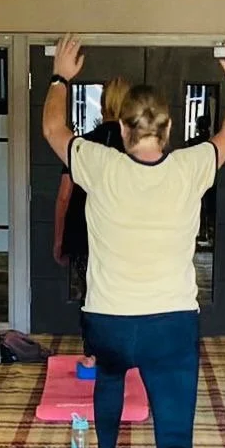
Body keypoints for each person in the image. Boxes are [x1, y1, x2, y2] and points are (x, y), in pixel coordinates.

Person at [40, 36, 225, 448]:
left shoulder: (98, 163)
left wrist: (61, 77)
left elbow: (52, 129)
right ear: (168, 131)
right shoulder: (190, 167)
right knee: (175, 433)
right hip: (170, 323)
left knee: (110, 380)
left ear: (120, 127)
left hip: (109, 320)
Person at [53, 75, 130, 372]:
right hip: (122, 239)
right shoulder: (136, 150)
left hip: (84, 237)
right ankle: (122, 357)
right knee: (123, 296)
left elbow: (63, 197)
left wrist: (59, 241)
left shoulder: (82, 146)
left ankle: (93, 356)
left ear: (103, 104)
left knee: (92, 297)